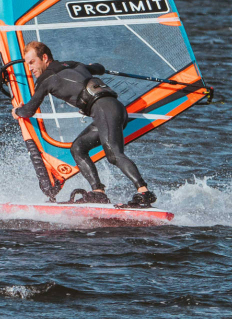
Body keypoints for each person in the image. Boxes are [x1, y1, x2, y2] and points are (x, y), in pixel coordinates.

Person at [13, 41, 157, 208]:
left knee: (114, 154)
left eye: (32, 62)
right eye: (27, 64)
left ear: (44, 58)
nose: (30, 68)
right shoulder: (74, 64)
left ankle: (144, 192)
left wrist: (17, 111)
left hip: (105, 110)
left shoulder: (47, 79)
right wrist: (88, 68)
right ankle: (98, 193)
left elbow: (29, 110)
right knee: (78, 148)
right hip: (112, 110)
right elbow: (99, 68)